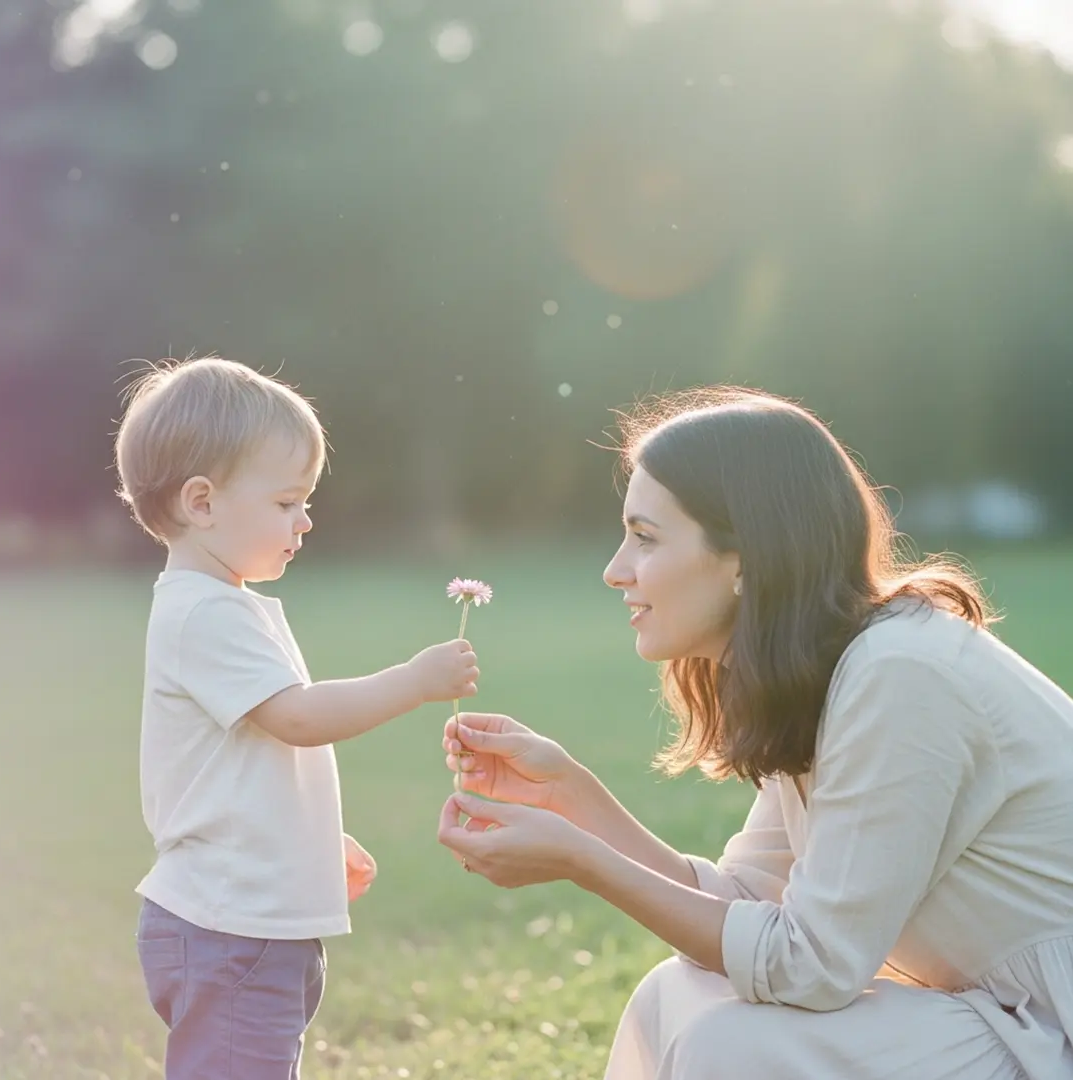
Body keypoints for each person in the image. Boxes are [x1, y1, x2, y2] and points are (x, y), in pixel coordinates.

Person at [437, 386, 1073, 1080]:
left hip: (1050, 1026)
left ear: (743, 557)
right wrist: (572, 798)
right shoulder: (820, 667)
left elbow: (810, 965)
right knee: (673, 994)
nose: (615, 570)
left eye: (645, 538)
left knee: (733, 1048)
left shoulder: (898, 675)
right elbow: (748, 902)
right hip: (1000, 1013)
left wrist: (583, 863)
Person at [114, 356, 479, 1080]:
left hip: (243, 920)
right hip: (229, 927)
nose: (305, 521)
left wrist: (302, 834)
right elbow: (300, 719)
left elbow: (249, 754)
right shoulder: (205, 613)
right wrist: (413, 680)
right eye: (287, 502)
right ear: (202, 502)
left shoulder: (221, 605)